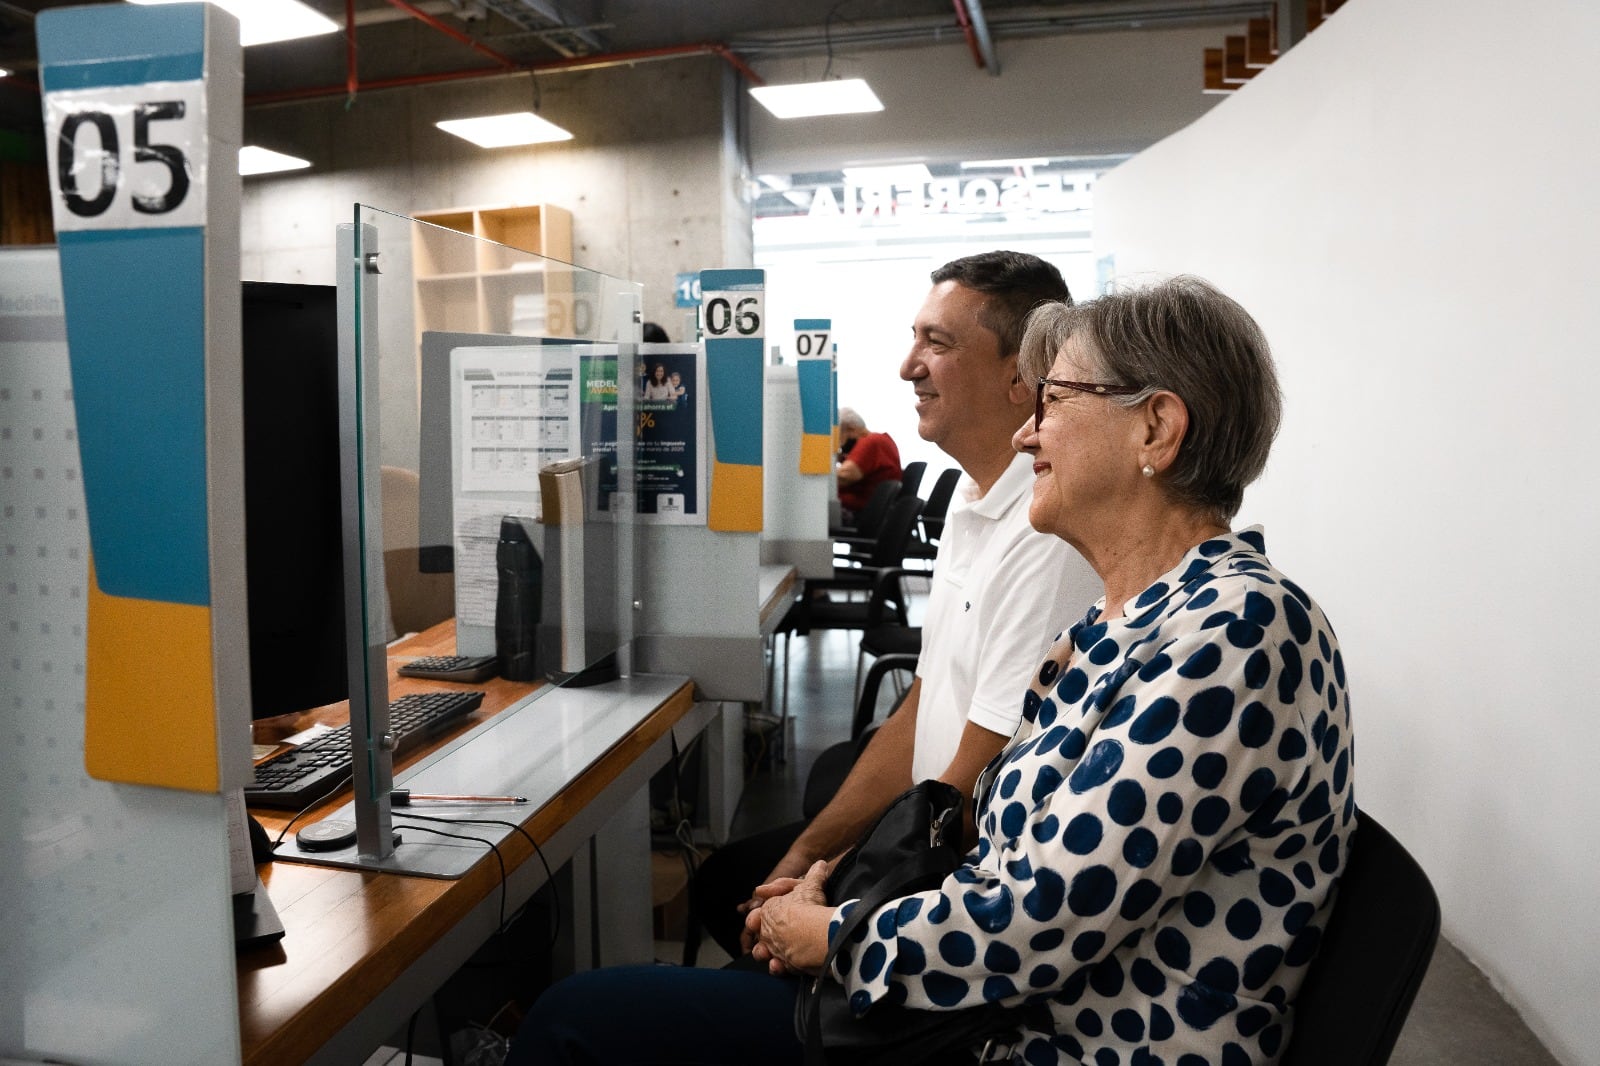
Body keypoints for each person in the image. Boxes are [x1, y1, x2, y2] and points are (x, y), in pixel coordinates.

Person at [509, 276, 1353, 1065]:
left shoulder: (1236, 632)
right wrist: (842, 887)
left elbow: (1040, 919)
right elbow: (1008, 847)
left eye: (1054, 399)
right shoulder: (1124, 619)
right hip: (984, 1004)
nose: (1029, 430)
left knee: (574, 1021)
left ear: (1156, 430)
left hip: (1035, 1040)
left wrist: (836, 933)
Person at [690, 251, 1096, 965]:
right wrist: (809, 852)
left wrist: (829, 891)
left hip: (950, 866)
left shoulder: (1046, 538)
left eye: (936, 343)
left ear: (1020, 375)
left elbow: (964, 796)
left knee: (731, 901)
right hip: (924, 823)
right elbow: (920, 709)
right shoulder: (976, 505)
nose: (908, 366)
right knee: (733, 879)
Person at [834, 407, 902, 523]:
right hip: (869, 512)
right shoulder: (881, 441)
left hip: (859, 513)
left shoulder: (871, 442)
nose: (840, 444)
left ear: (851, 429)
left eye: (839, 437)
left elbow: (844, 476)